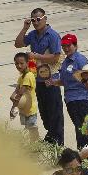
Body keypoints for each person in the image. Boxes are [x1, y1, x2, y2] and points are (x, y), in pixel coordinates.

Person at [15, 8, 64, 145]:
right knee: (44, 111)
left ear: (45, 19)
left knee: (55, 112)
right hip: (38, 79)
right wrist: (25, 28)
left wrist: (36, 56)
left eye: (38, 19)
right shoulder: (32, 34)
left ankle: (58, 142)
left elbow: (55, 57)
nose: (36, 22)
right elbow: (18, 44)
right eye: (33, 20)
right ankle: (51, 138)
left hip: (51, 78)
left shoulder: (52, 35)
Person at [46, 33, 88, 148]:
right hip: (71, 100)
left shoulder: (80, 60)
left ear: (75, 46)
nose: (66, 48)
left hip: (81, 99)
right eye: (64, 46)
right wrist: (54, 82)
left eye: (68, 45)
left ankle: (85, 152)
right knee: (79, 126)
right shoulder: (66, 61)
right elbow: (65, 81)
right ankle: (84, 152)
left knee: (83, 127)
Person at [10, 52, 39, 139]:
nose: (19, 66)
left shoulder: (29, 76)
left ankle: (36, 145)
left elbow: (20, 92)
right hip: (23, 107)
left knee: (32, 128)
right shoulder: (21, 77)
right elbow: (16, 90)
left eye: (21, 63)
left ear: (27, 63)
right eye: (16, 64)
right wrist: (13, 99)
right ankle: (33, 143)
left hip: (30, 108)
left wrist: (13, 106)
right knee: (28, 128)